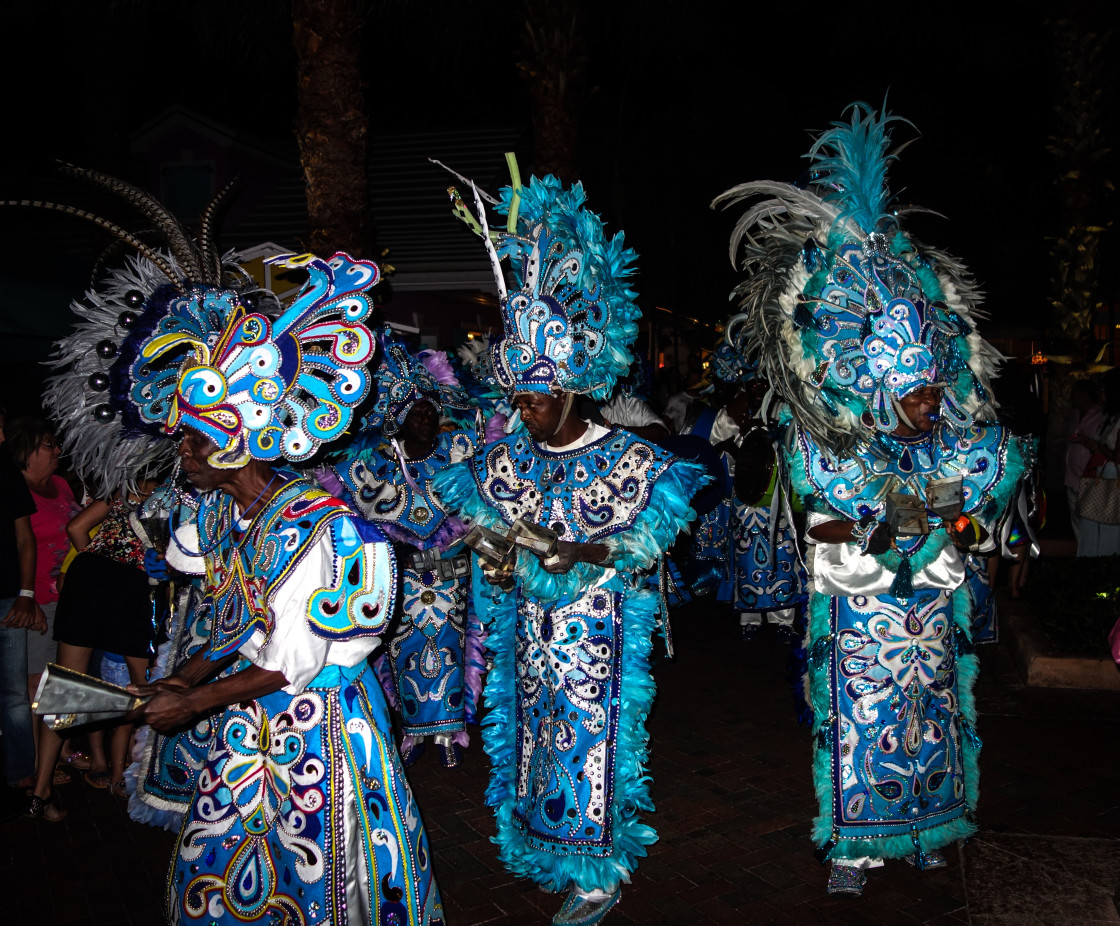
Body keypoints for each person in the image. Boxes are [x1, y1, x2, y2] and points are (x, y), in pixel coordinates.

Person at [34, 167, 444, 924]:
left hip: (318, 730)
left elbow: (290, 660)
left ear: (235, 445)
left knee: (320, 885)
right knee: (217, 875)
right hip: (244, 724)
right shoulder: (228, 521)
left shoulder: (321, 527)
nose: (178, 451)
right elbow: (227, 624)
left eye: (191, 438)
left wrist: (192, 699)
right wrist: (178, 681)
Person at [713, 104, 1030, 896]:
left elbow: (981, 508)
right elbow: (817, 520)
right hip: (858, 614)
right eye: (919, 392)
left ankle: (927, 828)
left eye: (933, 388)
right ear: (883, 387)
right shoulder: (831, 444)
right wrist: (888, 519)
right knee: (861, 724)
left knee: (935, 721)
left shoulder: (956, 440)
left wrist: (956, 516)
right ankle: (853, 848)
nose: (933, 402)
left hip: (928, 613)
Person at [434, 167, 706, 925]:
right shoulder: (504, 459)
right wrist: (493, 555)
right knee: (532, 744)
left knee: (592, 746)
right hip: (527, 635)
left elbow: (642, 547)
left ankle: (598, 872)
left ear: (575, 389)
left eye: (541, 397)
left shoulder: (633, 459)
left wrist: (580, 555)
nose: (527, 413)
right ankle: (548, 852)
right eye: (518, 399)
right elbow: (485, 534)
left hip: (598, 635)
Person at [323, 330, 484, 770]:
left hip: (451, 578)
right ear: (401, 420)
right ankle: (413, 731)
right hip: (401, 580)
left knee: (451, 650)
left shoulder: (459, 454)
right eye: (417, 415)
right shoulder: (375, 462)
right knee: (401, 651)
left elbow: (481, 497)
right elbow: (350, 509)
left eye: (432, 413)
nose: (426, 421)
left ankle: (451, 729)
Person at [27, 478, 159, 813]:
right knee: (142, 689)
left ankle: (40, 792)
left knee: (64, 691)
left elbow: (76, 528)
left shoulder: (124, 486)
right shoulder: (174, 494)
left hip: (87, 579)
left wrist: (100, 562)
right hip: (129, 588)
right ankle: (142, 781)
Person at [7, 418, 78, 765]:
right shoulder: (17, 490)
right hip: (37, 599)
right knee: (37, 685)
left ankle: (60, 749)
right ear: (26, 451)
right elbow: (21, 546)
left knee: (63, 680)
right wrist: (27, 596)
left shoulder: (62, 485)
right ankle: (36, 760)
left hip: (68, 597)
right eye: (48, 445)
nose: (56, 451)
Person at [0, 416, 43, 805]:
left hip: (7, 600)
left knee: (15, 693)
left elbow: (24, 538)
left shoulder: (7, 476)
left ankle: (22, 772)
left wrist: (26, 592)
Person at [1072, 369, 1120, 557]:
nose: (1100, 394)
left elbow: (1117, 457)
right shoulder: (1110, 417)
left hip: (1111, 477)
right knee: (1095, 523)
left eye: (1103, 390)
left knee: (1106, 527)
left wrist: (1096, 446)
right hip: (1102, 474)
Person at [1065, 378, 1103, 546]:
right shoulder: (1074, 415)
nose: (1071, 397)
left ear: (1085, 396)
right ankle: (1083, 557)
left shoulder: (1101, 416)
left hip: (1091, 478)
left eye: (1075, 394)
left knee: (1092, 522)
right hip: (1072, 477)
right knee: (1077, 522)